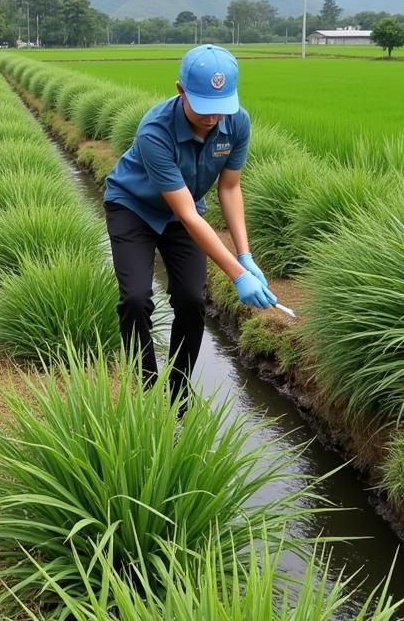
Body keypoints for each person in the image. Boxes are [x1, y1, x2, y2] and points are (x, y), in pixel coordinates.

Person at [103, 44, 277, 402]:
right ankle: (148, 390)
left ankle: (178, 393)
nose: (213, 117)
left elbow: (229, 188)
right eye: (204, 106)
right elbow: (185, 212)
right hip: (132, 207)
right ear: (180, 90)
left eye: (221, 107)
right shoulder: (154, 131)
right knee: (136, 298)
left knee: (191, 299)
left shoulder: (237, 122)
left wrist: (245, 256)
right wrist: (237, 275)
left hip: (186, 212)